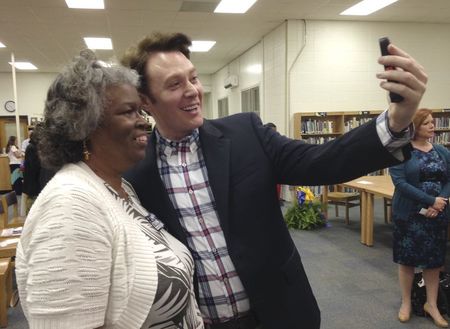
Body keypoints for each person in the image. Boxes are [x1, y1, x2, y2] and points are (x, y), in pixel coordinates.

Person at [121, 32, 427, 329]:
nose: (192, 90)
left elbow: (322, 162)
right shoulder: (133, 172)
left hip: (278, 312)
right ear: (146, 100)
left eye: (194, 77)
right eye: (174, 84)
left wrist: (397, 119)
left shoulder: (246, 134)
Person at [15, 50, 204, 329]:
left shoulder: (120, 187)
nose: (144, 120)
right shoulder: (70, 206)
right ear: (85, 127)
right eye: (129, 111)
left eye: (141, 110)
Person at [390, 108, 450, 327]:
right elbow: (400, 183)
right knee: (407, 260)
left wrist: (440, 200)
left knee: (434, 262)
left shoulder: (442, 151)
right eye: (427, 123)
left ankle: (431, 305)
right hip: (409, 214)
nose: (433, 126)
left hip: (437, 215)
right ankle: (406, 303)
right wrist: (429, 200)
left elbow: (449, 179)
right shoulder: (401, 150)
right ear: (415, 127)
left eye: (433, 122)